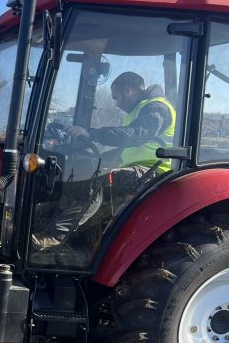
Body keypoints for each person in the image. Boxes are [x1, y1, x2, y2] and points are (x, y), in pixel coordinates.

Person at [30, 72, 176, 257]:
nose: (117, 103)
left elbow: (135, 134)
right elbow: (128, 148)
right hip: (136, 167)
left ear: (128, 90)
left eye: (117, 97)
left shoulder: (156, 107)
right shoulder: (141, 108)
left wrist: (91, 133)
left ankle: (56, 236)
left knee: (96, 181)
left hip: (153, 170)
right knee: (80, 176)